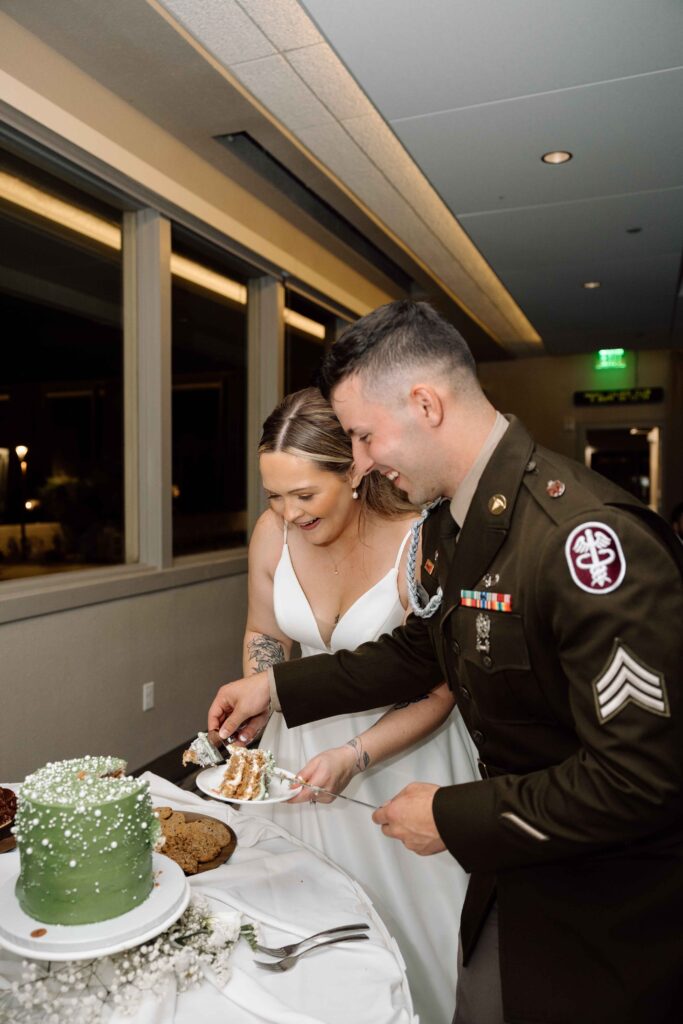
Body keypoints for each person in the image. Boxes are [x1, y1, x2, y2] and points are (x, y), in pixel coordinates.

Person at [209, 302, 683, 1024]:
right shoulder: (449, 525)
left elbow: (638, 780)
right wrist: (272, 687)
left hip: (599, 901)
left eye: (364, 435)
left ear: (424, 403)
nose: (362, 460)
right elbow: (415, 653)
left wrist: (454, 815)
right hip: (513, 871)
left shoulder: (582, 541)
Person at [237, 386, 478, 1024]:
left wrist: (357, 754)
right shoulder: (272, 534)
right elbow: (265, 633)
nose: (287, 513)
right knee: (303, 939)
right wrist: (263, 701)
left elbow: (441, 686)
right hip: (296, 763)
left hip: (400, 759)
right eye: (273, 496)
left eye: (304, 494)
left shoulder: (420, 544)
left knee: (413, 935)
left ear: (355, 470)